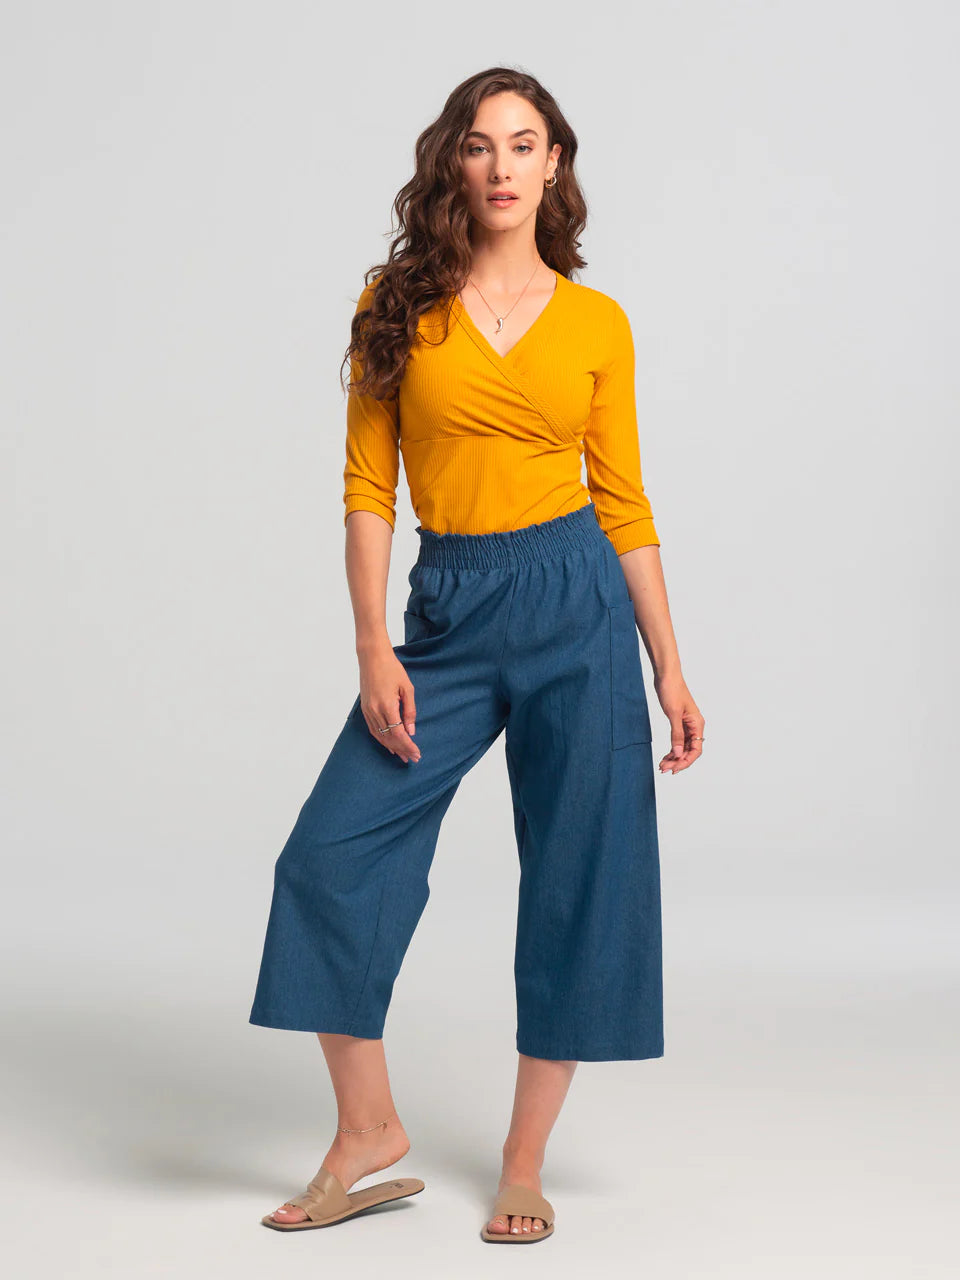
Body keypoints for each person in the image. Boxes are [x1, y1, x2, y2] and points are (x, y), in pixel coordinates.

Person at [249, 65, 705, 1245]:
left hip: (578, 604)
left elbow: (625, 502)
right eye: (479, 144)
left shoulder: (598, 323)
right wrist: (371, 643)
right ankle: (368, 1131)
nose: (501, 165)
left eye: (524, 143)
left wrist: (668, 662)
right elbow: (368, 487)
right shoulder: (397, 304)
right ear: (453, 161)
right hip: (450, 609)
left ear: (555, 164)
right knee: (327, 855)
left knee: (580, 873)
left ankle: (522, 1160)